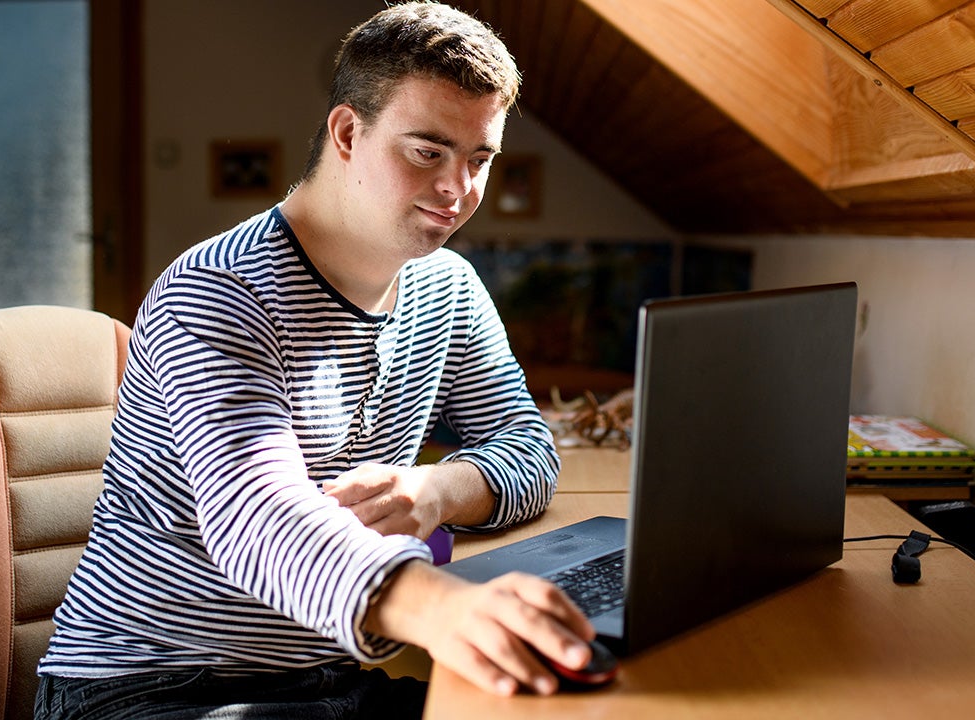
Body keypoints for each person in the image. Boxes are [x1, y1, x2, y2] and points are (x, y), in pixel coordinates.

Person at [34, 3, 597, 718]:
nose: (459, 189)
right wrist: (438, 608)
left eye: (478, 159)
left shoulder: (449, 288)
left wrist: (436, 490)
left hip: (331, 678)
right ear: (348, 133)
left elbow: (528, 446)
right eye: (428, 153)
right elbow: (257, 517)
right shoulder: (219, 290)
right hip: (151, 689)